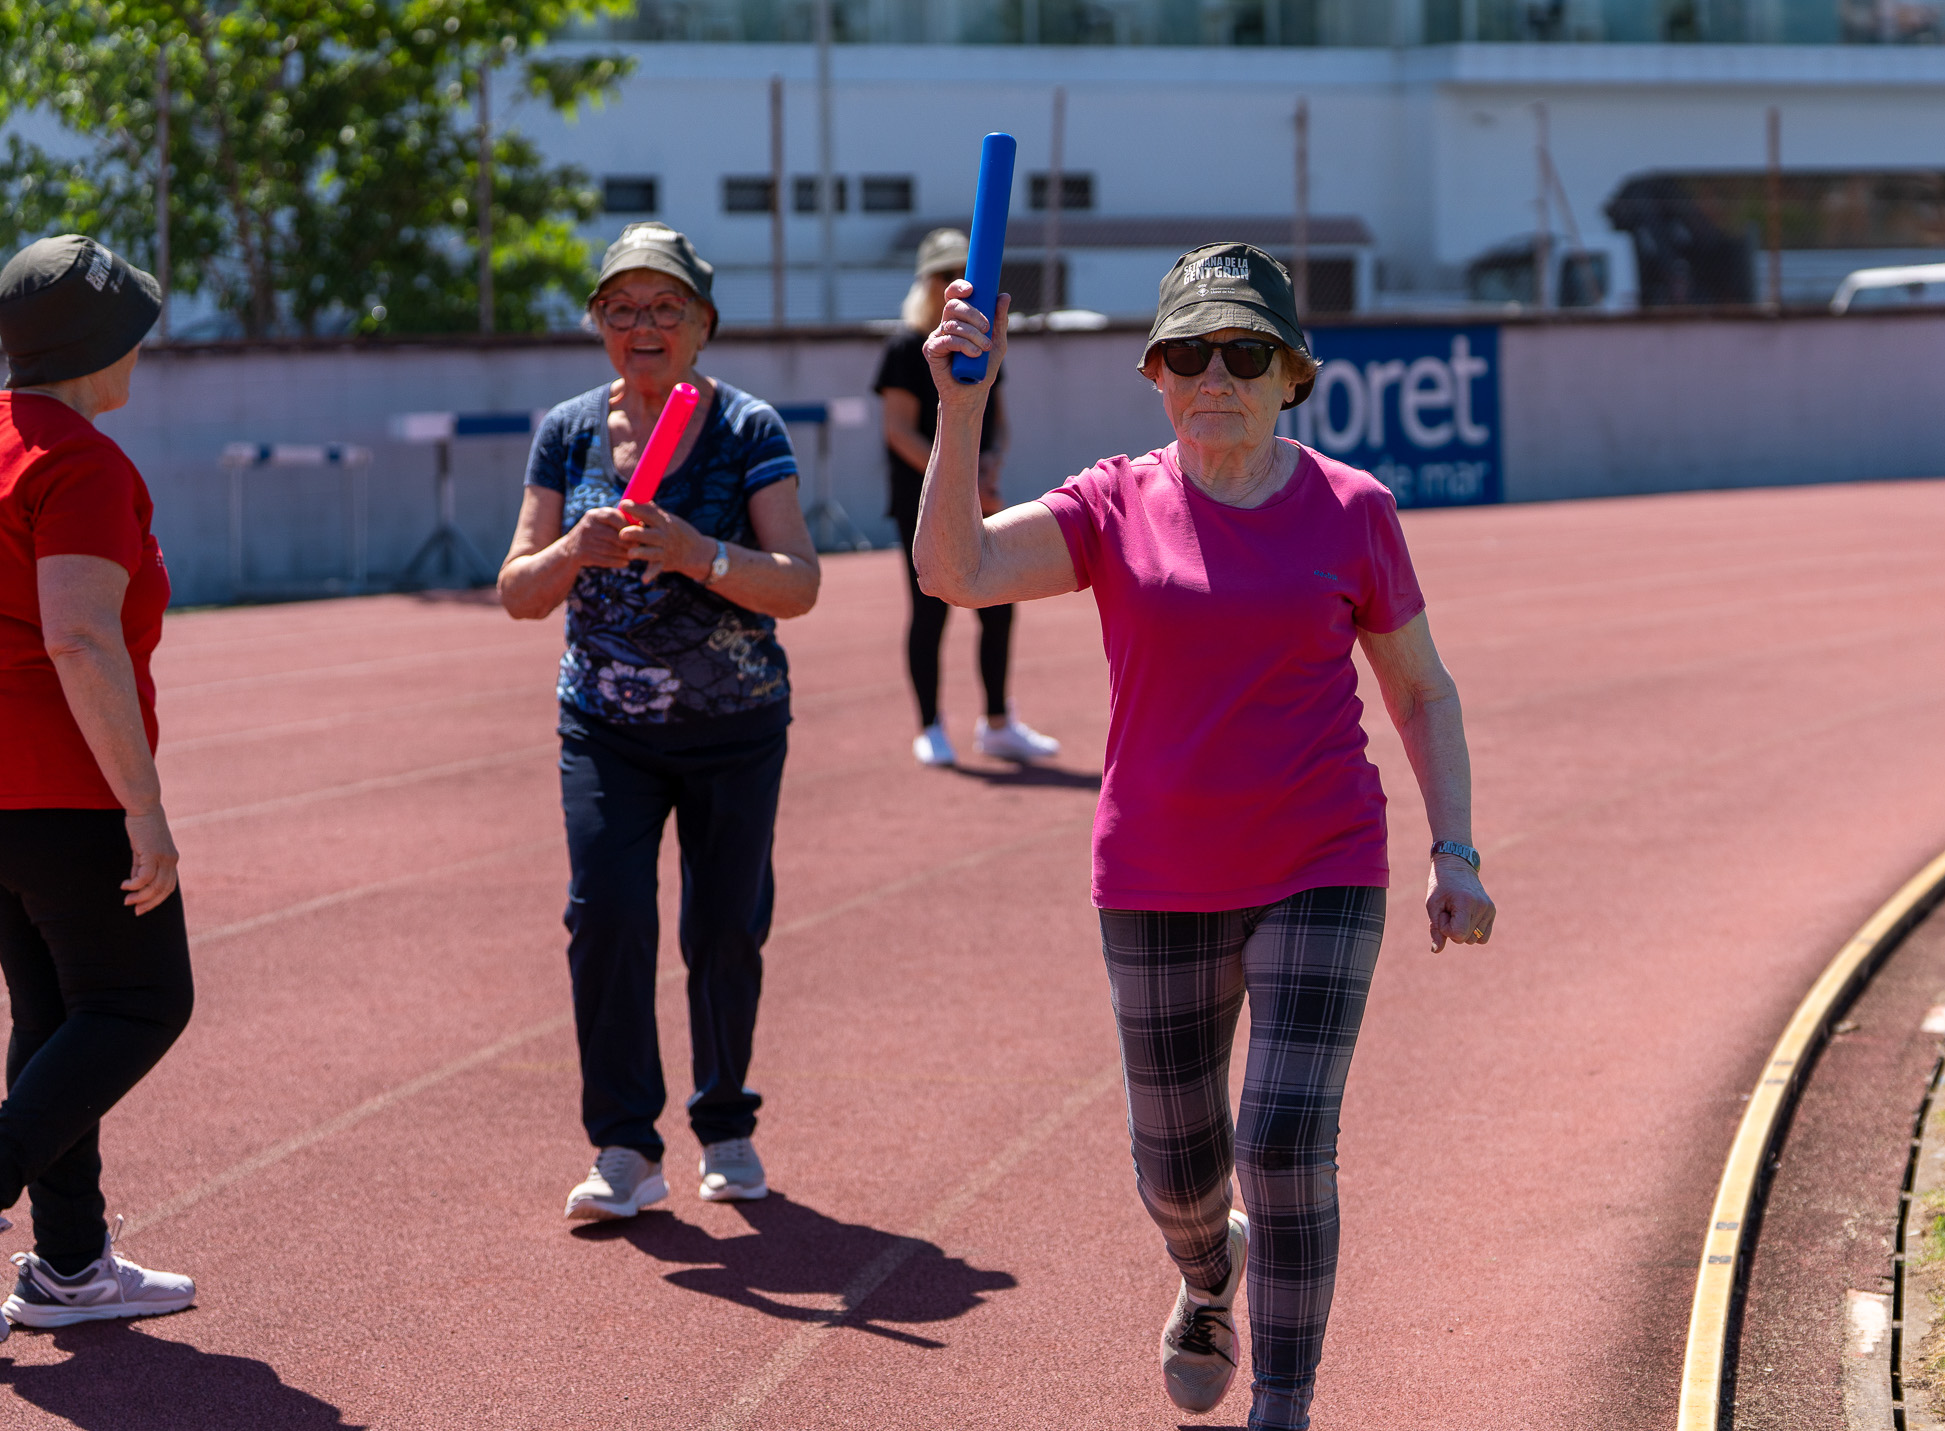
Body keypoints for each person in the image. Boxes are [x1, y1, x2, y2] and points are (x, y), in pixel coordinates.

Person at [914, 242, 1497, 1431]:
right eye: (1186, 354)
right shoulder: (1111, 504)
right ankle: (1206, 1268)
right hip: (1154, 874)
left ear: (1290, 375)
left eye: (1241, 352)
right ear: (1155, 377)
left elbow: (1420, 690)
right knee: (1176, 1169)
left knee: (1281, 1143)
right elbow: (953, 571)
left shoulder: (1353, 510)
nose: (1212, 375)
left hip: (1321, 862)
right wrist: (960, 407)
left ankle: (1282, 1402)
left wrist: (1455, 851)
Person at [498, 222, 820, 1222]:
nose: (643, 326)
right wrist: (574, 551)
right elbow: (517, 591)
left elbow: (798, 583)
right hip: (605, 727)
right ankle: (625, 1145)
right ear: (598, 322)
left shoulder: (749, 430)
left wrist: (696, 553)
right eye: (621, 308)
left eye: (665, 307)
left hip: (734, 726)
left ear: (703, 323)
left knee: (724, 929)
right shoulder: (566, 432)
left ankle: (724, 1122)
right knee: (605, 917)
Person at [0, 235, 196, 1331]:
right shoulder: (78, 462)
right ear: (101, 343)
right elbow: (79, 638)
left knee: (53, 1015)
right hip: (65, 790)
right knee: (140, 1002)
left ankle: (71, 1263)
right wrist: (145, 807)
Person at [874, 227, 1058, 767]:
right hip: (918, 499)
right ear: (926, 283)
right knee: (929, 610)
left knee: (999, 603)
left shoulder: (982, 342)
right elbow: (898, 432)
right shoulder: (904, 348)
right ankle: (930, 726)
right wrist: (954, 475)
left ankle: (998, 723)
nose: (957, 282)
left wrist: (989, 465)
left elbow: (998, 423)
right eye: (945, 274)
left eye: (965, 272)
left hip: (980, 493)